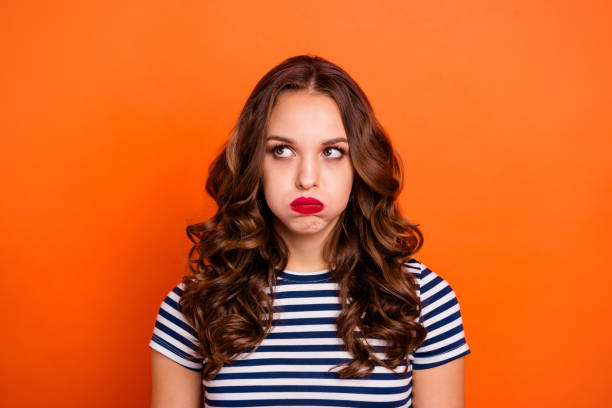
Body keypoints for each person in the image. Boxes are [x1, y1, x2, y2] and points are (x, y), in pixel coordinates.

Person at [149, 54, 470, 408]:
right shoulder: (195, 304)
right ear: (253, 162)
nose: (306, 178)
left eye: (332, 151)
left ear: (359, 164)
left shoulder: (422, 300)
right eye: (282, 150)